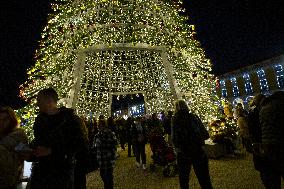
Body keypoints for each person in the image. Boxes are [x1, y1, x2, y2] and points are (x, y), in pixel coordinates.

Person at [29, 88, 87, 189]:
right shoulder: (40, 120)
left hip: (62, 174)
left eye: (39, 100)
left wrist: (52, 151)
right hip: (42, 174)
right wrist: (30, 152)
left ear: (49, 101)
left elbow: (80, 144)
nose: (37, 104)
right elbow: (39, 143)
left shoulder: (70, 119)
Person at [172, 100, 213, 189]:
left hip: (184, 153)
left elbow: (175, 138)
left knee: (184, 181)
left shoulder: (175, 119)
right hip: (198, 151)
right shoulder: (194, 117)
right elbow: (205, 134)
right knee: (205, 180)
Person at [259, 91, 284, 189]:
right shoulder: (280, 106)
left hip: (268, 145)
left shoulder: (263, 110)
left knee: (273, 175)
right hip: (280, 142)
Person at [0, 107, 29, 189]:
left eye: (5, 120)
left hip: (9, 182)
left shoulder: (18, 136)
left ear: (12, 121)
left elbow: (24, 154)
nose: (1, 123)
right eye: (0, 120)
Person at [93, 115, 118, 189]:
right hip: (103, 158)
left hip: (107, 158)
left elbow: (114, 144)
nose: (98, 126)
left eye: (99, 125)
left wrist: (101, 144)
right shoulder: (98, 134)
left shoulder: (108, 133)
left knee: (107, 176)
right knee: (105, 175)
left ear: (103, 125)